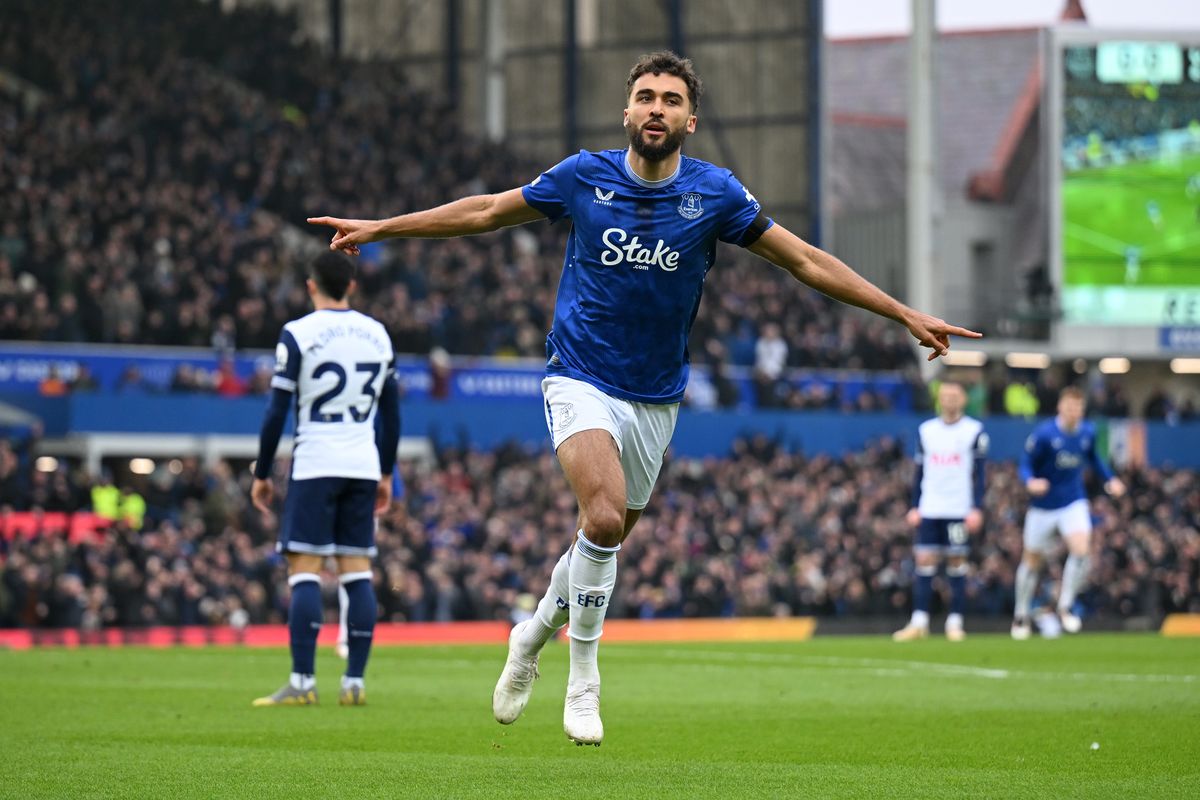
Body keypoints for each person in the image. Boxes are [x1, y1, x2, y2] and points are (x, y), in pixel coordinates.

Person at [309, 51, 979, 745]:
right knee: (601, 520)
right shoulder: (582, 177)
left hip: (656, 397)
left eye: (670, 99)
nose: (656, 107)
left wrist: (901, 312)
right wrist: (383, 227)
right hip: (577, 375)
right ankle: (584, 674)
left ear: (691, 119)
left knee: (604, 538)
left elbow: (805, 260)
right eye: (645, 96)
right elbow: (485, 211)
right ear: (626, 111)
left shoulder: (715, 194)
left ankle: (533, 634)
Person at [250, 252, 401, 707]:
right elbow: (391, 414)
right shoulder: (377, 334)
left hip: (315, 462)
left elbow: (277, 409)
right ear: (351, 286)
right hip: (361, 462)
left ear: (310, 285)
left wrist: (261, 472)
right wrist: (386, 472)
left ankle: (301, 682)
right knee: (358, 572)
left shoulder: (298, 333)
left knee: (305, 572)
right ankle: (354, 682)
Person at [1011, 386, 1125, 640]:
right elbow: (1026, 463)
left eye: (1079, 408)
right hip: (1042, 507)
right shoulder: (1044, 434)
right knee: (1031, 562)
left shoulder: (1087, 432)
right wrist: (1030, 481)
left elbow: (1095, 458)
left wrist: (1110, 479)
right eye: (1070, 407)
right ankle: (1021, 614)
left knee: (1081, 549)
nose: (1075, 412)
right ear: (1060, 408)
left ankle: (1065, 605)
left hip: (1073, 501)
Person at [893, 380, 987, 642]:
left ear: (963, 399)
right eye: (945, 395)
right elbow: (919, 471)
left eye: (954, 395)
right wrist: (915, 505)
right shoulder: (926, 431)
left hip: (958, 507)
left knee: (957, 563)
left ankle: (954, 622)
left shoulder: (974, 430)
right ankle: (919, 621)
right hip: (930, 507)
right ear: (939, 399)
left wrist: (976, 508)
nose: (949, 400)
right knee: (924, 562)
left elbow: (980, 475)